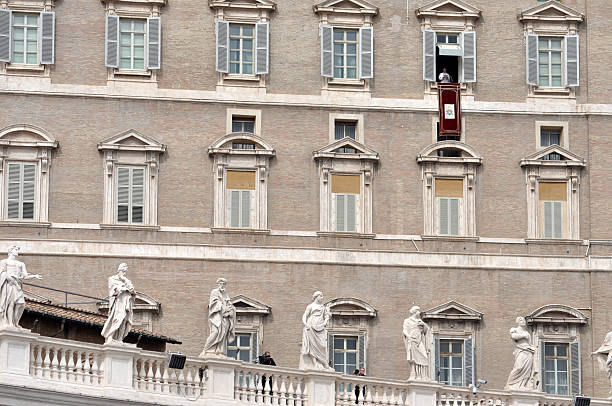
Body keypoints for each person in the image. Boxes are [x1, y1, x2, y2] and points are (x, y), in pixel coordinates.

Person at [0, 245, 42, 329]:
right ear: (11, 251)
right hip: (9, 284)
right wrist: (8, 277)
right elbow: (1, 272)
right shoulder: (4, 262)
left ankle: (15, 322)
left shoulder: (21, 264)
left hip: (17, 285)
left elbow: (25, 276)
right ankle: (10, 323)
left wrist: (34, 276)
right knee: (10, 303)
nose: (17, 251)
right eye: (16, 249)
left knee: (21, 304)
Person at [200, 278, 236, 357]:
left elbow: (230, 304)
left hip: (225, 317)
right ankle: (206, 350)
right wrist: (223, 307)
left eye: (224, 284)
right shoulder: (215, 292)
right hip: (217, 317)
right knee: (215, 332)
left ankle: (219, 351)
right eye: (221, 283)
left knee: (223, 334)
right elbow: (213, 303)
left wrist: (231, 309)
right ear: (218, 284)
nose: (222, 285)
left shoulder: (225, 294)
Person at [101, 263, 135, 344]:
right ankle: (110, 336)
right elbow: (113, 290)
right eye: (123, 271)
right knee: (117, 319)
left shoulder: (127, 280)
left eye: (125, 271)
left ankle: (119, 339)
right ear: (119, 270)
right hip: (118, 303)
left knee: (124, 321)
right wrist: (123, 289)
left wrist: (124, 280)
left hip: (126, 303)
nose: (124, 273)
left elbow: (132, 290)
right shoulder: (112, 279)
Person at [299, 291, 333, 370]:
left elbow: (326, 317)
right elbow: (305, 315)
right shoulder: (310, 306)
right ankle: (315, 364)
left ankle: (323, 363)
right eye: (321, 296)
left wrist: (325, 320)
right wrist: (305, 323)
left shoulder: (323, 308)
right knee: (312, 346)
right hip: (311, 325)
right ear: (316, 297)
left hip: (320, 327)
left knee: (322, 346)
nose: (322, 298)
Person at [505, 317, 536, 391]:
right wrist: (523, 336)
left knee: (527, 370)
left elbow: (529, 342)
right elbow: (513, 336)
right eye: (521, 320)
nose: (523, 322)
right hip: (520, 350)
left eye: (524, 320)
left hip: (528, 351)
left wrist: (531, 348)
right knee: (519, 367)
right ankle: (510, 384)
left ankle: (522, 385)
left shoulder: (527, 332)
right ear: (517, 322)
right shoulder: (514, 329)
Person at [403, 305, 430, 380]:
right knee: (414, 358)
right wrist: (408, 336)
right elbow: (404, 330)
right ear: (414, 312)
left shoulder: (420, 321)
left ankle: (424, 376)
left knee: (424, 356)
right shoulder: (407, 321)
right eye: (418, 311)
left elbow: (425, 331)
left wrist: (423, 325)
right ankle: (416, 375)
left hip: (419, 340)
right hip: (413, 340)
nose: (419, 312)